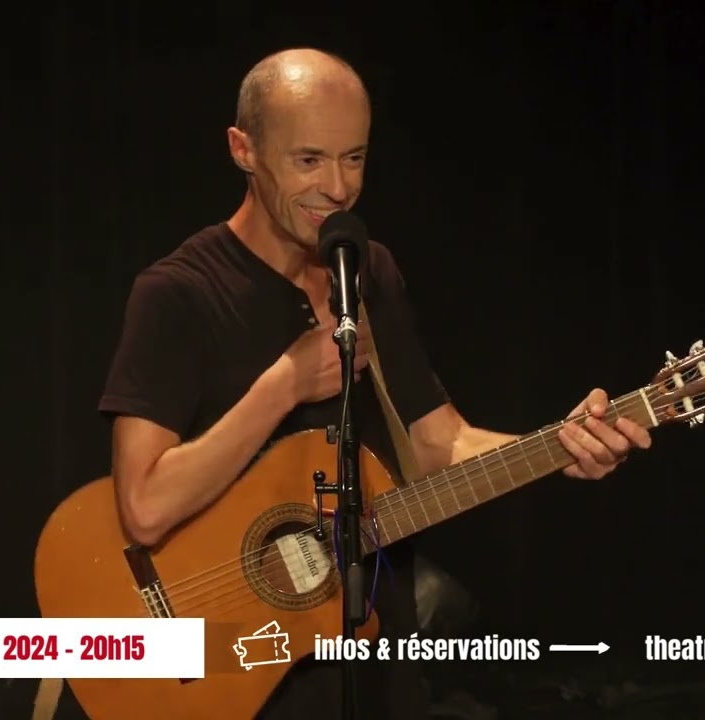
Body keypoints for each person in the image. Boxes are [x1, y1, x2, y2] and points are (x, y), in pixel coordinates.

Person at [95, 48, 652, 719]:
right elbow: (146, 505)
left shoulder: (364, 271)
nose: (337, 187)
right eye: (308, 160)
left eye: (353, 158)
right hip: (239, 670)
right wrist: (283, 385)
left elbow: (437, 442)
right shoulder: (178, 293)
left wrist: (563, 445)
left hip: (373, 658)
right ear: (243, 149)